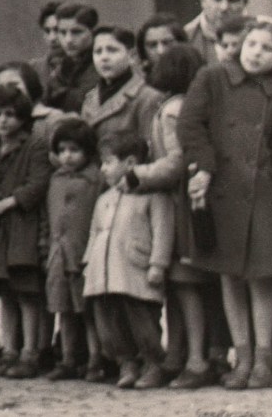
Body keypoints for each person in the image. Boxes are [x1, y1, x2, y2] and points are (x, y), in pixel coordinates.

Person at [179, 20, 272, 389]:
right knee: (229, 274)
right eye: (252, 44)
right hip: (222, 189)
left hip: (262, 192)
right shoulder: (212, 78)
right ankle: (242, 359)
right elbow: (189, 126)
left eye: (267, 48)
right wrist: (206, 166)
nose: (256, 52)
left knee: (261, 276)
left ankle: (263, 361)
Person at [132, 44, 215, 389]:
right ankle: (178, 355)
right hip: (175, 202)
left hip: (177, 203)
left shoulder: (172, 111)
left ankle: (196, 358)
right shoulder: (176, 106)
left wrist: (139, 174)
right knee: (179, 286)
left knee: (185, 283)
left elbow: (177, 160)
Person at [0, 87, 51, 379]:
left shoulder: (35, 146)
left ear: (23, 118)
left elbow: (37, 184)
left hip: (21, 226)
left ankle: (31, 353)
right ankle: (9, 351)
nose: (3, 121)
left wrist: (5, 203)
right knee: (5, 293)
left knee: (27, 292)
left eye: (10, 115)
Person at [83, 131, 174, 390]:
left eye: (109, 162)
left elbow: (162, 231)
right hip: (104, 273)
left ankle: (153, 363)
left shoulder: (153, 195)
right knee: (108, 322)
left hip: (136, 269)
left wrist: (158, 264)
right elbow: (95, 233)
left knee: (141, 320)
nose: (103, 169)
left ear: (131, 164)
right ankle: (126, 363)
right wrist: (88, 262)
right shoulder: (104, 199)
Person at [43, 118, 103, 381]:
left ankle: (95, 359)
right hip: (58, 253)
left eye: (74, 150)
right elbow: (49, 217)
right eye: (63, 150)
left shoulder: (96, 180)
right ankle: (68, 359)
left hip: (83, 254)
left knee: (88, 311)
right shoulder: (55, 179)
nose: (67, 156)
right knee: (63, 309)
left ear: (88, 152)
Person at [81, 27, 165, 147]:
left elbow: (150, 148)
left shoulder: (148, 97)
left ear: (132, 56)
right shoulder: (90, 98)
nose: (104, 58)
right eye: (98, 52)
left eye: (112, 50)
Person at [184, 0, 251, 65]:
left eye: (233, 0)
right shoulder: (186, 38)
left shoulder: (262, 34)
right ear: (203, 0)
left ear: (245, 3)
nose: (224, 7)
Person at [47, 3, 99, 113]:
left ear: (93, 32)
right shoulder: (57, 65)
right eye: (62, 32)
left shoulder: (103, 64)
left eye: (76, 32)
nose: (68, 40)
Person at [30, 1, 64, 92]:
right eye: (47, 31)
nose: (52, 38)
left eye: (57, 30)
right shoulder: (33, 69)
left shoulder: (82, 69)